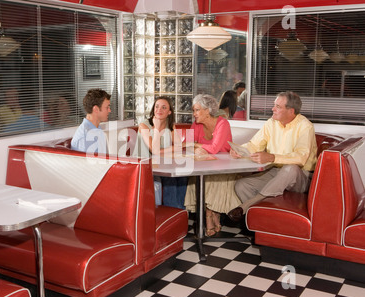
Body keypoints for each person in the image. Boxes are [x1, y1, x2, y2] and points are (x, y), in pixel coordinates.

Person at [226, 91, 318, 224]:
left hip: (301, 177)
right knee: (242, 185)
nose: (272, 109)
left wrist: (271, 157)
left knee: (290, 168)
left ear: (291, 111)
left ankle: (244, 207)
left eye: (278, 107)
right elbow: (254, 145)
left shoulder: (305, 126)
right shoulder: (271, 123)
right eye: (274, 105)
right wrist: (239, 151)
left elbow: (300, 158)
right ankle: (262, 221)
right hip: (276, 171)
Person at [184, 94, 240, 236]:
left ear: (207, 110)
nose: (194, 114)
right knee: (199, 176)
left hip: (225, 166)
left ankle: (210, 215)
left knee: (212, 177)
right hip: (205, 163)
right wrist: (195, 146)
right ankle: (213, 213)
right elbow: (187, 144)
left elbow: (214, 148)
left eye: (197, 110)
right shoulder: (196, 124)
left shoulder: (223, 124)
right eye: (193, 110)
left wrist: (197, 145)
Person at [132, 96, 187, 209]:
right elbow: (154, 150)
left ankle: (179, 212)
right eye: (157, 106)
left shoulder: (170, 125)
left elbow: (178, 146)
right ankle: (171, 211)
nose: (159, 110)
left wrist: (166, 150)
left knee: (183, 176)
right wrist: (156, 128)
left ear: (169, 112)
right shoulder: (144, 125)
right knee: (169, 179)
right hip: (143, 166)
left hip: (160, 165)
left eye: (163, 107)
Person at [71, 88, 111, 154]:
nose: (109, 110)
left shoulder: (96, 128)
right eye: (107, 107)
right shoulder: (85, 137)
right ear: (96, 109)